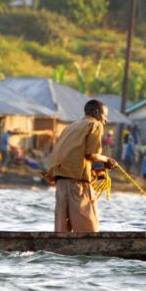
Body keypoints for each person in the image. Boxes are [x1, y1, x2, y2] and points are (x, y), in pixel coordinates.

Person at [46, 99, 117, 233]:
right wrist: (107, 160)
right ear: (96, 112)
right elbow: (91, 155)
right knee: (89, 231)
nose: (105, 121)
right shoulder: (94, 124)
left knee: (61, 231)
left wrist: (98, 170)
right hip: (77, 184)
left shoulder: (70, 127)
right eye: (104, 116)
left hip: (61, 183)